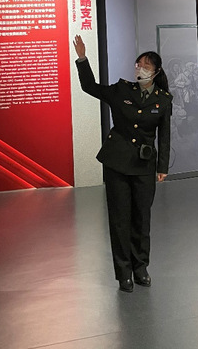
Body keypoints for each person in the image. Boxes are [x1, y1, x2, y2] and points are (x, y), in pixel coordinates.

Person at [72, 35, 172, 293]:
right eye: (139, 64)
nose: (141, 69)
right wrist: (82, 58)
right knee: (119, 220)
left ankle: (141, 268)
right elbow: (89, 86)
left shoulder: (163, 99)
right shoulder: (121, 90)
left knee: (142, 219)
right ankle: (124, 273)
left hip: (144, 165)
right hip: (117, 163)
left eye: (146, 66)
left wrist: (162, 167)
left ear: (156, 71)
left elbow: (165, 134)